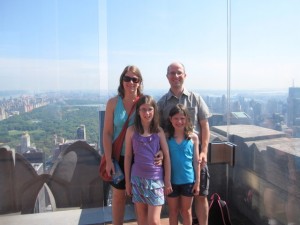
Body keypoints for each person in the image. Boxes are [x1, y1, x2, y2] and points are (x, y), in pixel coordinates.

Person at [102, 65, 163, 225]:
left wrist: (161, 152)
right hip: (119, 157)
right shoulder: (113, 103)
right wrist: (108, 159)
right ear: (122, 81)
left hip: (141, 158)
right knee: (118, 196)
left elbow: (156, 129)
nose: (130, 82)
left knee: (140, 199)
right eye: (127, 78)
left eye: (134, 79)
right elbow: (107, 133)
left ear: (139, 82)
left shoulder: (144, 102)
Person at [157, 62, 211, 225]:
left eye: (179, 72)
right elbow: (158, 131)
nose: (176, 76)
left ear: (185, 75)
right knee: (175, 207)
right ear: (167, 77)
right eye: (172, 73)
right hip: (172, 159)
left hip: (194, 154)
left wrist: (204, 151)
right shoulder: (162, 103)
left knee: (201, 195)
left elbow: (204, 125)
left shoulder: (196, 98)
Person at [124, 95, 173, 225]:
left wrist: (167, 181)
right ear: (138, 112)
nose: (147, 113)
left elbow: (167, 156)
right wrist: (127, 182)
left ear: (154, 111)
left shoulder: (158, 131)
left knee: (154, 221)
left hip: (156, 179)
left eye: (150, 109)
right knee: (142, 219)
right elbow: (128, 157)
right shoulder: (131, 131)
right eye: (143, 109)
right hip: (137, 178)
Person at [166, 104, 200, 225]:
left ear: (186, 119)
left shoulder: (193, 138)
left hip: (188, 180)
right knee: (173, 211)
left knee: (186, 212)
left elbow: (196, 161)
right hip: (172, 181)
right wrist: (166, 181)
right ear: (170, 119)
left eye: (182, 118)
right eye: (176, 118)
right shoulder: (167, 138)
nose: (179, 121)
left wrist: (197, 182)